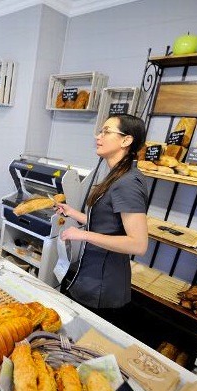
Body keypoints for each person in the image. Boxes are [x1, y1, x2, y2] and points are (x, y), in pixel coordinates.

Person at [56, 114, 149, 317]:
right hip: (90, 276)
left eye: (106, 131)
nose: (99, 136)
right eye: (100, 131)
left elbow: (138, 244)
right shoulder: (117, 176)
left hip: (102, 287)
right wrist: (74, 214)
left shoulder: (128, 183)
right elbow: (110, 224)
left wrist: (83, 235)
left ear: (126, 140)